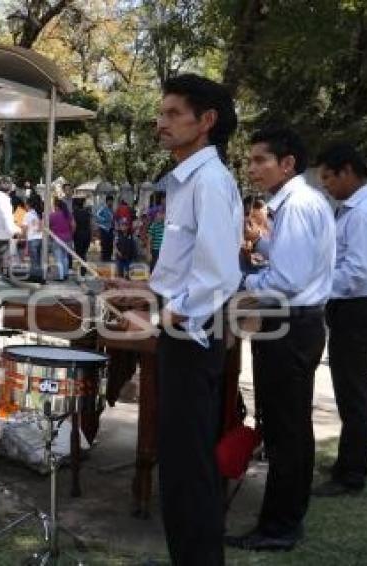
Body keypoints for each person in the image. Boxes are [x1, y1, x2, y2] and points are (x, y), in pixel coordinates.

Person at [106, 73, 242, 565]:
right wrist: (142, 291)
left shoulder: (209, 181)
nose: (159, 122)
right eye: (159, 112)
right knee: (181, 470)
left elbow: (217, 278)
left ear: (205, 122)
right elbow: (187, 272)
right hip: (180, 337)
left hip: (191, 342)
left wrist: (160, 319)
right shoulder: (187, 180)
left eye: (171, 114)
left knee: (189, 473)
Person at [229, 128, 336, 552]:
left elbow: (285, 280)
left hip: (289, 323)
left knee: (286, 431)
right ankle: (285, 517)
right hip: (293, 322)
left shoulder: (297, 206)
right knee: (288, 427)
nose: (253, 168)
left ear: (287, 163)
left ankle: (280, 527)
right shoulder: (296, 203)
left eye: (260, 160)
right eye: (251, 160)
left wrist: (235, 281)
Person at [313, 143, 367, 496]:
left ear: (347, 171)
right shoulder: (354, 209)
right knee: (350, 390)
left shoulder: (364, 212)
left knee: (354, 392)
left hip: (360, 308)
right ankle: (348, 461)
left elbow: (356, 271)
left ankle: (352, 474)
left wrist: (313, 288)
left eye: (328, 177)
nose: (325, 184)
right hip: (356, 307)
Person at [48, 198, 74, 281]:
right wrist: (70, 234)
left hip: (57, 238)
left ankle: (60, 276)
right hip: (67, 238)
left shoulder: (52, 215)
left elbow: (48, 226)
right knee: (65, 256)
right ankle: (66, 274)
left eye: (55, 206)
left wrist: (51, 235)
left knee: (58, 257)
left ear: (57, 207)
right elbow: (73, 225)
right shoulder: (68, 214)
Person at [23, 195, 44, 281]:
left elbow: (24, 228)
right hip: (41, 238)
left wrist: (22, 236)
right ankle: (39, 275)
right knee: (38, 259)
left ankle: (36, 277)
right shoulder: (40, 213)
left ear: (29, 205)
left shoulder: (28, 214)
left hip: (32, 238)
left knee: (34, 259)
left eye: (26, 204)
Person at [72, 198, 92, 277]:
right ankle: (83, 268)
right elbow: (90, 224)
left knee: (79, 253)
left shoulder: (74, 213)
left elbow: (74, 225)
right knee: (84, 252)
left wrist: (72, 234)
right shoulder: (87, 213)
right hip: (87, 234)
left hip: (78, 235)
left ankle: (81, 269)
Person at [95, 195, 115, 261]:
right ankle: (104, 257)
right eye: (109, 201)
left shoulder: (112, 209)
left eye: (111, 201)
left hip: (111, 228)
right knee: (104, 243)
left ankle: (109, 257)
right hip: (104, 228)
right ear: (107, 202)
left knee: (110, 243)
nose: (110, 203)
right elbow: (97, 215)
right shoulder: (103, 208)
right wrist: (104, 219)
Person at [147, 205, 165, 270]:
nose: (162, 215)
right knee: (154, 266)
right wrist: (149, 253)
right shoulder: (153, 226)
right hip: (155, 250)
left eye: (163, 213)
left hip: (163, 250)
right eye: (160, 213)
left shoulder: (165, 225)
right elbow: (149, 240)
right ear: (155, 215)